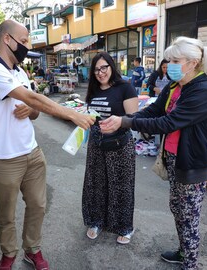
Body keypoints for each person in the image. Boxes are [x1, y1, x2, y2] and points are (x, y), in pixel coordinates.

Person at [0, 20, 94, 270]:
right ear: (7, 39)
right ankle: (8, 255)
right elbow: (30, 96)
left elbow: (34, 109)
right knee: (6, 213)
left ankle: (32, 249)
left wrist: (31, 109)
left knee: (38, 206)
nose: (27, 46)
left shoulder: (20, 72)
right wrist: (72, 114)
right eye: (25, 39)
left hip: (32, 152)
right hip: (3, 157)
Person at [100, 36, 207, 270]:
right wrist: (125, 119)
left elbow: (168, 123)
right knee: (178, 209)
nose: (169, 66)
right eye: (169, 60)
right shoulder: (176, 86)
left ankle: (190, 263)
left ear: (194, 62)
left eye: (175, 60)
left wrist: (125, 122)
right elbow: (154, 110)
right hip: (176, 157)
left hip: (194, 161)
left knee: (188, 215)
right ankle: (183, 251)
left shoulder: (203, 91)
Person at [83, 52, 138, 244]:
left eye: (104, 67)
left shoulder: (125, 87)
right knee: (96, 184)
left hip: (120, 146)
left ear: (111, 67)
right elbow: (89, 112)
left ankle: (125, 227)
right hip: (97, 145)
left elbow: (134, 119)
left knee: (121, 187)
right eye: (96, 69)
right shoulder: (93, 89)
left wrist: (117, 123)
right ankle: (97, 221)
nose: (100, 72)